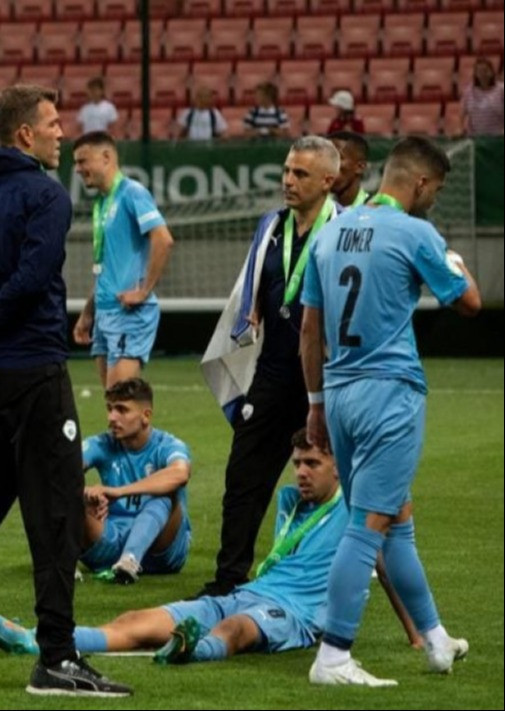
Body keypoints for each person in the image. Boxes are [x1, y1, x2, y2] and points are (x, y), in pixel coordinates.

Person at [0, 84, 131, 697]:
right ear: (24, 136)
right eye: (54, 123)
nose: (64, 133)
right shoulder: (44, 193)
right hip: (32, 373)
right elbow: (34, 277)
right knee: (55, 516)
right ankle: (57, 659)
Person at [301, 136, 480, 686]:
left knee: (396, 520)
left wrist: (316, 403)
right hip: (389, 394)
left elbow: (310, 331)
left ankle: (434, 637)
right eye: (438, 189)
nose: (436, 199)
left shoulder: (329, 233)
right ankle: (332, 656)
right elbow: (469, 301)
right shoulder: (415, 232)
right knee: (369, 525)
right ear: (420, 183)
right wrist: (454, 259)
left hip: (341, 394)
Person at [0, 429, 346, 665]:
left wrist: (409, 634)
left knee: (236, 630)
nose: (300, 472)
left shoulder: (355, 509)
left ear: (340, 467)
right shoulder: (290, 500)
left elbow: (386, 553)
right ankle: (33, 641)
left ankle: (192, 650)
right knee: (134, 620)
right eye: (298, 463)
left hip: (294, 613)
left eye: (313, 463)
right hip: (247, 592)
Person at [198, 137, 345, 598]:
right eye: (286, 170)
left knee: (344, 479)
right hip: (275, 370)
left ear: (329, 180)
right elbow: (257, 286)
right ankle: (229, 579)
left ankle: (337, 577)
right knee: (243, 475)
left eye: (300, 174)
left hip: (326, 375)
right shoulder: (271, 227)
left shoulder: (344, 230)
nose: (288, 180)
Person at [71, 132, 174, 389]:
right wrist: (88, 312)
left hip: (128, 314)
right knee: (114, 410)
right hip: (104, 313)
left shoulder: (132, 193)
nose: (77, 170)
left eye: (83, 161)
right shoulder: (102, 203)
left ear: (106, 157)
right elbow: (106, 268)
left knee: (123, 407)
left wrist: (144, 291)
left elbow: (163, 239)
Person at [79, 379, 192, 585]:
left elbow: (180, 474)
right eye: (110, 409)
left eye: (122, 410)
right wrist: (86, 493)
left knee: (166, 495)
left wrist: (119, 492)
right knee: (67, 492)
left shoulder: (167, 445)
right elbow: (58, 473)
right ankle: (61, 563)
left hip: (161, 551)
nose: (112, 417)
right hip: (110, 544)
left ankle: (130, 559)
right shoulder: (102, 443)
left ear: (146, 416)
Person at [460, 57, 504, 137]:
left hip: (498, 138)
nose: (483, 74)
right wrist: (461, 128)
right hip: (476, 138)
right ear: (475, 74)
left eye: (485, 71)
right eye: (479, 71)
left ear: (491, 72)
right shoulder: (469, 91)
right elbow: (462, 114)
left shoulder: (501, 90)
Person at [327, 131, 370, 208]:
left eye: (336, 157)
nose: (327, 164)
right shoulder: (314, 209)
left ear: (360, 167)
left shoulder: (374, 211)